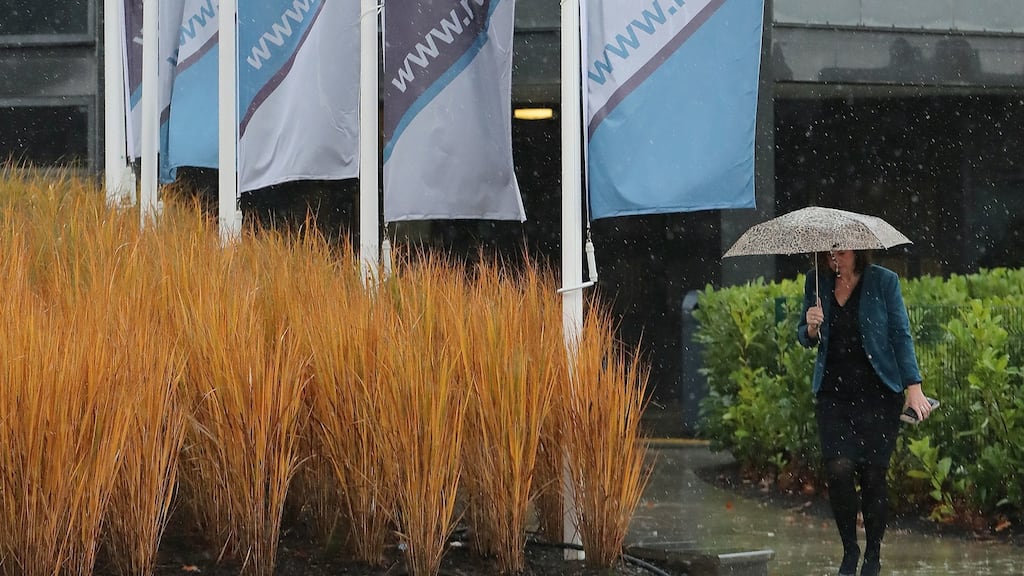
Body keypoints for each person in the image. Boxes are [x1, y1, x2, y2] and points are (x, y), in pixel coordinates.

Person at [797, 249, 934, 576]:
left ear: (857, 250)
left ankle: (873, 555)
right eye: (828, 253)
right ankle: (850, 551)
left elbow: (901, 334)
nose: (835, 259)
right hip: (834, 395)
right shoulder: (816, 282)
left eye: (841, 252)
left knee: (873, 475)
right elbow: (803, 336)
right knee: (839, 470)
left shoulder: (883, 282)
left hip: (878, 395)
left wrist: (913, 386)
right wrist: (811, 328)